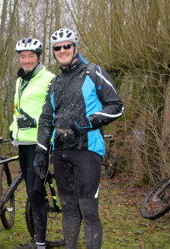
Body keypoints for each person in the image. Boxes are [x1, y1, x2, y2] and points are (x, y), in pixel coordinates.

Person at [33, 28, 123, 249]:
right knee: (69, 210)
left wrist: (86, 122)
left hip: (88, 152)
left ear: (75, 47)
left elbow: (116, 107)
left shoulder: (93, 72)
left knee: (89, 210)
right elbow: (46, 119)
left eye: (67, 46)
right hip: (62, 154)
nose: (62, 50)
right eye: (57, 47)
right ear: (54, 52)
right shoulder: (54, 83)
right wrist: (41, 152)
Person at [9, 37, 55, 248]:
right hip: (23, 144)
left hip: (41, 144)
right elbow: (18, 109)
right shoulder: (20, 80)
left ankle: (40, 242)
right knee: (30, 192)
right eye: (22, 56)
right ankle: (37, 238)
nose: (26, 60)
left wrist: (36, 123)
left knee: (36, 192)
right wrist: (12, 129)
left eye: (30, 56)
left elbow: (55, 112)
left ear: (38, 58)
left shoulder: (49, 78)